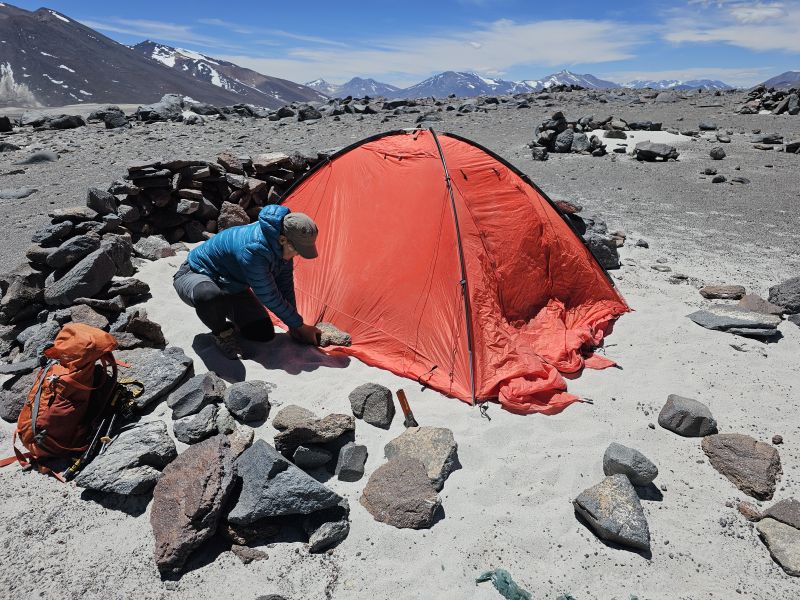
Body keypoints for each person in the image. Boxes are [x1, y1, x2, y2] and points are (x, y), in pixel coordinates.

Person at [173, 204, 321, 359]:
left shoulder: (283, 241)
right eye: (297, 250)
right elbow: (268, 295)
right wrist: (301, 326)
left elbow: (284, 285)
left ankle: (222, 309)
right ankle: (222, 332)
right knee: (209, 296)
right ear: (283, 240)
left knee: (262, 333)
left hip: (231, 284)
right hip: (196, 274)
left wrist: (294, 325)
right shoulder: (254, 249)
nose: (297, 254)